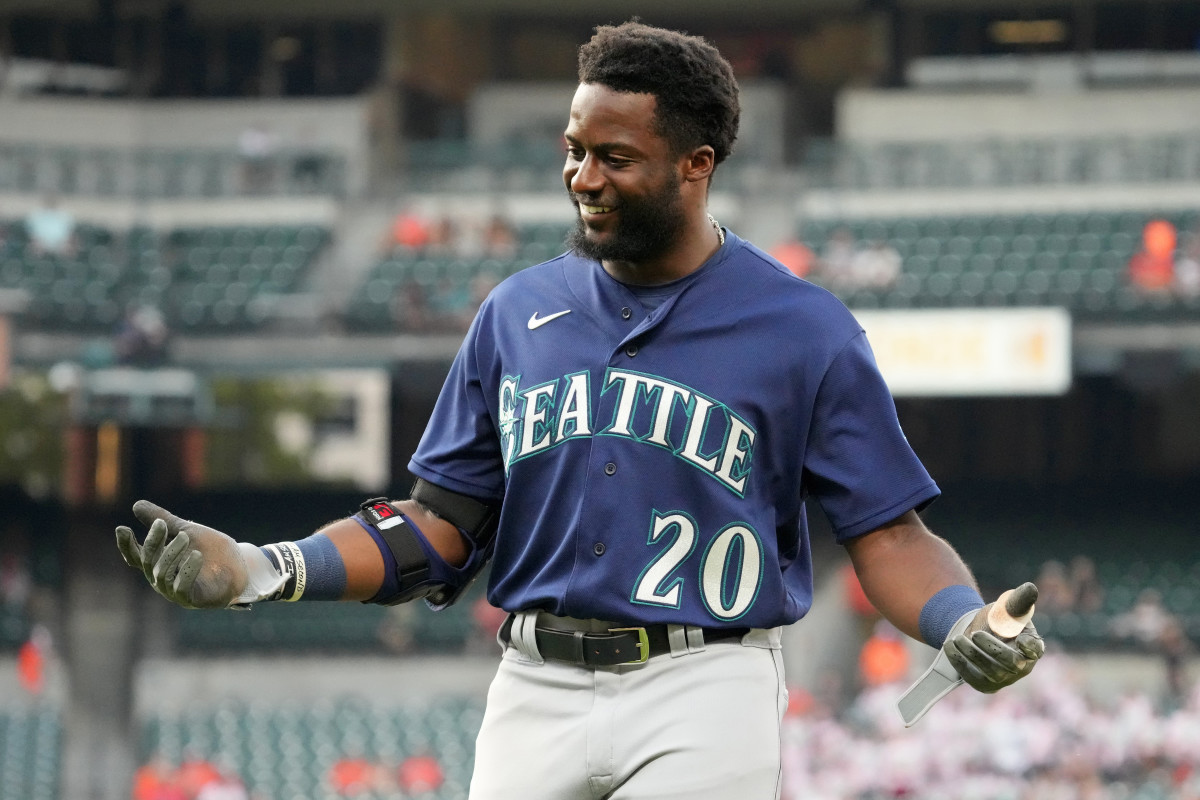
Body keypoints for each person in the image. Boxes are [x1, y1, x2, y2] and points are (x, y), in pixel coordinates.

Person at [116, 22, 1043, 800]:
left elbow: (887, 532)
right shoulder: (517, 313)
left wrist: (960, 618)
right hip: (534, 687)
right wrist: (257, 567)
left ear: (696, 163)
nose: (582, 176)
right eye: (573, 150)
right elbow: (439, 528)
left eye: (615, 157)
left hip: (704, 682)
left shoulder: (805, 328)